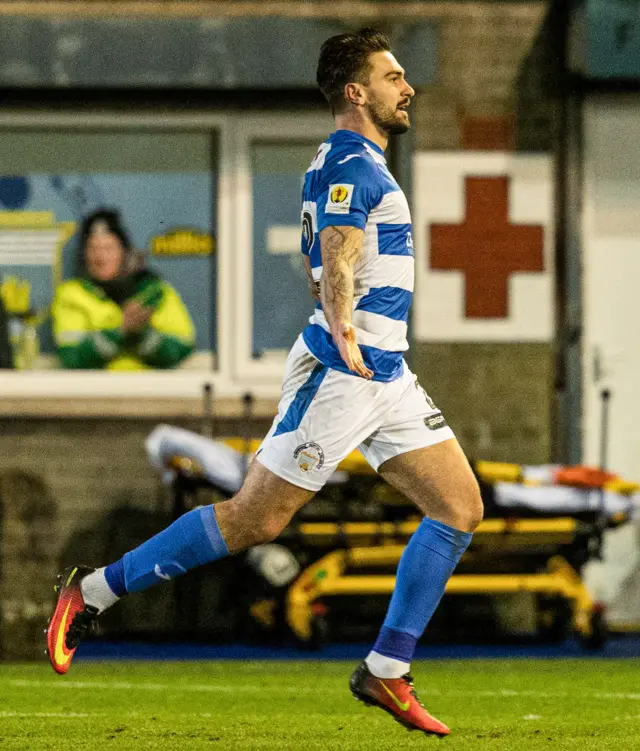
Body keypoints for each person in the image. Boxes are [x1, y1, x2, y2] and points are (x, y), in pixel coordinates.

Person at [46, 29, 483, 737]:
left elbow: (325, 255)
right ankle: (90, 594)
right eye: (392, 75)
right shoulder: (354, 165)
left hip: (387, 373)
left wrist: (346, 315)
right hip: (349, 370)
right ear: (356, 91)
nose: (407, 87)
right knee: (254, 519)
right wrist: (342, 327)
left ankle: (386, 670)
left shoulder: (347, 160)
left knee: (459, 507)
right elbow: (336, 258)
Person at [51, 209, 195, 370]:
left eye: (108, 248)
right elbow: (72, 357)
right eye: (93, 249)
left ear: (124, 253)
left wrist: (141, 335)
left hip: (150, 391)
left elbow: (182, 347)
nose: (101, 257)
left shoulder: (155, 291)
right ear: (84, 255)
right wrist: (120, 331)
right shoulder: (71, 294)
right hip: (95, 392)